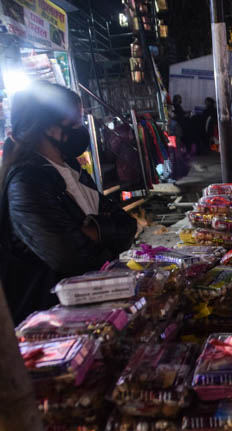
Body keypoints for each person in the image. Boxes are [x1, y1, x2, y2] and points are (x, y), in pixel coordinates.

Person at [0, 82, 137, 323]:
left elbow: (127, 225)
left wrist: (93, 231)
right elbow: (70, 258)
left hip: (93, 308)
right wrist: (105, 234)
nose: (80, 128)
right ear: (50, 128)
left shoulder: (72, 168)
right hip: (51, 322)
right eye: (74, 122)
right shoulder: (26, 182)